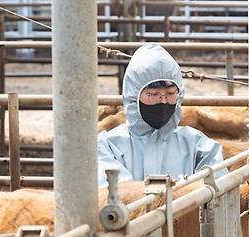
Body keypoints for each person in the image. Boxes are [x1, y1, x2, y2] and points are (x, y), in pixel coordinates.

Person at [97, 43, 226, 187]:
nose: (163, 101)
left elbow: (219, 193)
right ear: (133, 95)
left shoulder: (199, 145)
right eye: (153, 94)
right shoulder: (107, 146)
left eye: (170, 93)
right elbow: (117, 197)